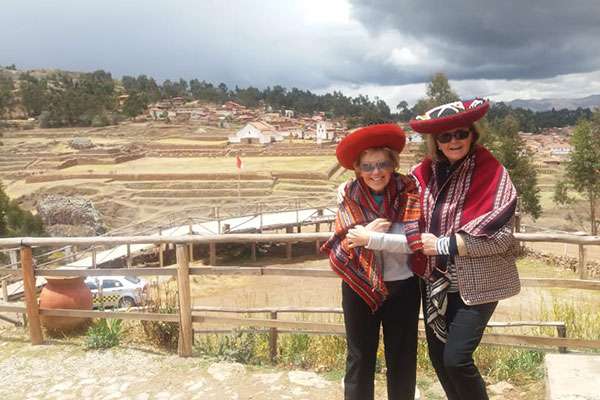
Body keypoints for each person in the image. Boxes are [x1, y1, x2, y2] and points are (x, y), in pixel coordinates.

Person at [409, 98, 521, 400]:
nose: (454, 141)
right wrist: (353, 190)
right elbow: (396, 199)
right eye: (445, 136)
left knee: (456, 359)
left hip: (478, 283)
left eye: (460, 133)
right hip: (435, 282)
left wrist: (443, 244)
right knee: (439, 359)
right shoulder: (422, 175)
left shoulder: (493, 174)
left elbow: (500, 238)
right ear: (436, 141)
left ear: (473, 134)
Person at [321, 123, 425, 400]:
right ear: (357, 169)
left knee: (402, 359)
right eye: (367, 166)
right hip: (358, 286)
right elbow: (345, 238)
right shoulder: (348, 195)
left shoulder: (410, 193)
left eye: (381, 164)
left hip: (403, 287)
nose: (375, 172)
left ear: (392, 164)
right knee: (359, 357)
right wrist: (362, 236)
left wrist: (369, 238)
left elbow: (413, 243)